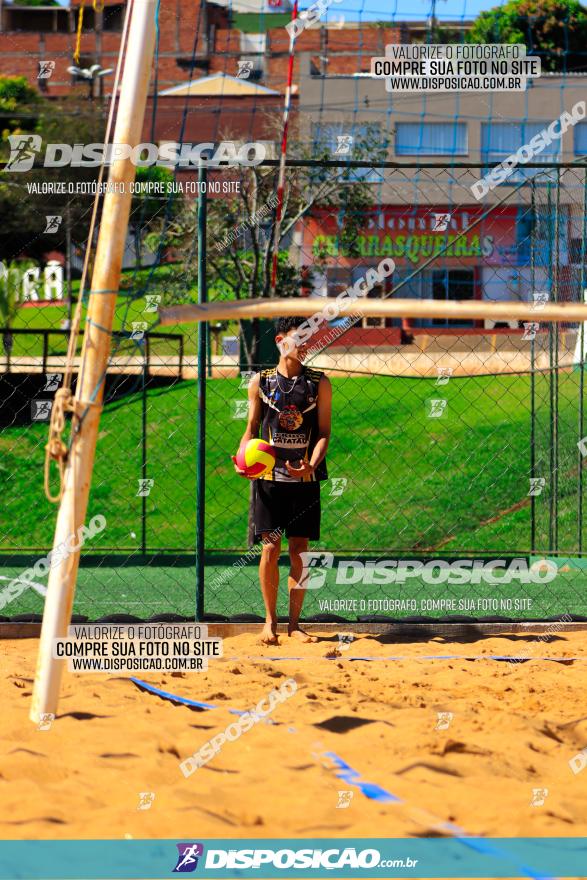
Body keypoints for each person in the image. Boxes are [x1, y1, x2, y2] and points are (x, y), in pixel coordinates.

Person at [232, 317, 332, 645]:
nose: (305, 344)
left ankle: (295, 625)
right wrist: (242, 452)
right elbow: (251, 426)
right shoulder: (260, 382)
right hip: (270, 480)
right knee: (270, 548)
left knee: (299, 549)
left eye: (309, 338)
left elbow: (325, 433)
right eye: (298, 338)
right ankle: (270, 623)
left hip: (305, 480)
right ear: (280, 341)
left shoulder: (319, 383)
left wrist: (311, 465)